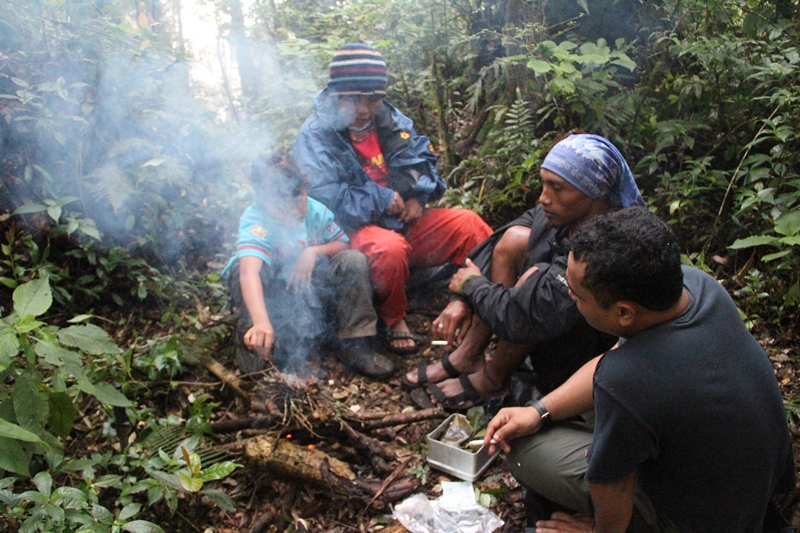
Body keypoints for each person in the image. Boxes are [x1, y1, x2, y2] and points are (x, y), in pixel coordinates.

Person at [484, 207, 795, 533]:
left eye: (576, 295)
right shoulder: (698, 287)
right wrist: (537, 411)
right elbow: (613, 360)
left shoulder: (629, 381)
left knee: (524, 452)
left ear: (623, 313)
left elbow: (611, 486)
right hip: (757, 488)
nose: (568, 295)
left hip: (705, 522)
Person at [405, 133, 643, 409]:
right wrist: (461, 297)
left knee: (535, 279)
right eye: (544, 184)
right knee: (515, 239)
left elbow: (524, 317)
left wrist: (471, 286)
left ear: (595, 193)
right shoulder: (568, 213)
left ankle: (493, 377)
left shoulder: (603, 249)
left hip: (584, 354)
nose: (544, 198)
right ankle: (468, 354)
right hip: (543, 320)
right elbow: (499, 239)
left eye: (557, 188)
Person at [294, 43, 493, 358]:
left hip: (401, 216)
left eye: (373, 98)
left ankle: (486, 301)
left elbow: (421, 162)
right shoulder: (316, 134)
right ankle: (394, 317)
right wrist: (382, 198)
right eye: (355, 98)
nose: (364, 108)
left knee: (468, 225)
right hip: (352, 228)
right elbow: (324, 198)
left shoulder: (389, 119)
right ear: (337, 95)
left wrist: (417, 196)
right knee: (389, 250)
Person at [223, 155, 394, 379]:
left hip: (305, 292)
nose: (293, 212)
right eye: (280, 205)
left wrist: (312, 252)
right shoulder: (256, 221)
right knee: (241, 269)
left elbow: (342, 242)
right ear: (263, 201)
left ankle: (356, 344)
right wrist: (261, 322)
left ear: (305, 190)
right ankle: (256, 356)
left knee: (352, 260)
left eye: (298, 201)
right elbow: (249, 272)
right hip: (269, 298)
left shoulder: (316, 211)